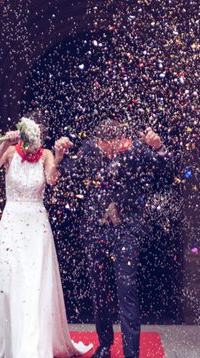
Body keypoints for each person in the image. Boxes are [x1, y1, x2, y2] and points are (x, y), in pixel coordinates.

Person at [58, 119, 175, 358]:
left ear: (119, 140)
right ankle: (104, 345)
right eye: (101, 145)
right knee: (99, 290)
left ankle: (132, 352)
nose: (104, 149)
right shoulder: (90, 149)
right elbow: (67, 171)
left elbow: (167, 169)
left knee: (127, 290)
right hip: (96, 230)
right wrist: (60, 153)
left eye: (108, 145)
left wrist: (159, 147)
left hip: (127, 230)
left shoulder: (137, 150)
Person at [0, 116, 91, 358]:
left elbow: (51, 179)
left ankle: (32, 342)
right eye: (31, 139)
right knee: (10, 280)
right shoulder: (10, 152)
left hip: (36, 224)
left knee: (34, 282)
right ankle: (12, 337)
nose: (34, 144)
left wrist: (59, 157)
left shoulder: (45, 155)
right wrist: (3, 144)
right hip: (12, 220)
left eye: (38, 139)